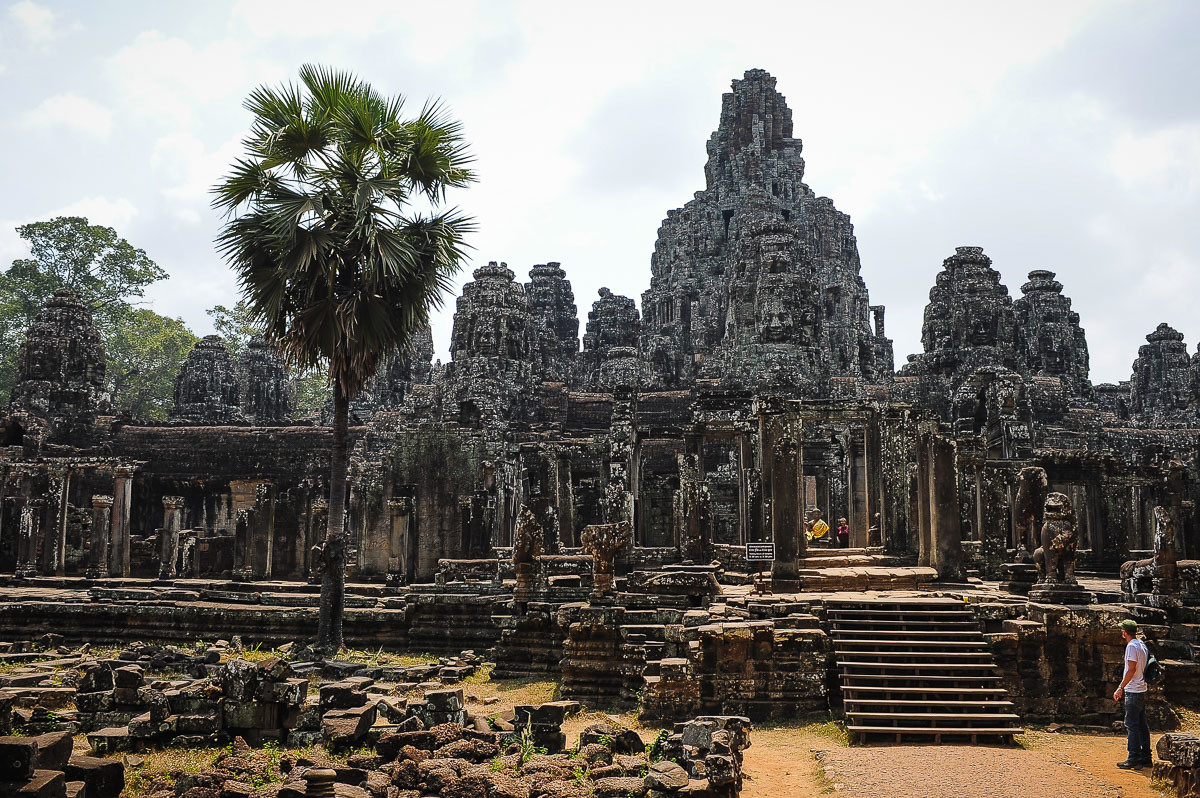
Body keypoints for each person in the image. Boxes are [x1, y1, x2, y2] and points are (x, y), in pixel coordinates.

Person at [1113, 618, 1152, 769]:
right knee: (1142, 724)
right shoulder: (1141, 644)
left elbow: (1131, 669)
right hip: (1141, 688)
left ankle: (1133, 757)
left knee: (1131, 725)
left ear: (1124, 632)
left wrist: (1120, 687)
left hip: (1133, 690)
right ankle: (1146, 757)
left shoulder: (1131, 646)